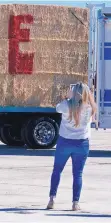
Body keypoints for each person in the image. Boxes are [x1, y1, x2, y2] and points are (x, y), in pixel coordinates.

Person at [47, 82, 97, 211]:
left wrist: (68, 97)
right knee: (78, 174)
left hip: (64, 142)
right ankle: (75, 203)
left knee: (57, 170)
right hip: (82, 143)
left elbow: (57, 108)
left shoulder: (65, 105)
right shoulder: (90, 108)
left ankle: (52, 199)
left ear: (73, 92)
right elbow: (89, 102)